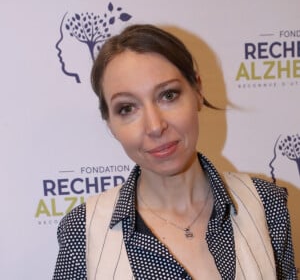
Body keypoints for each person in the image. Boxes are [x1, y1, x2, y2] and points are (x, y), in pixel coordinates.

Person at [53, 24, 297, 279]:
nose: (155, 126)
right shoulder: (82, 232)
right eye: (127, 108)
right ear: (110, 124)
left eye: (168, 95)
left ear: (198, 91)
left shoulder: (267, 205)